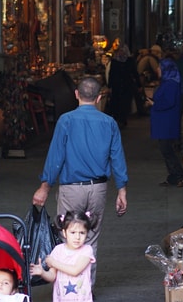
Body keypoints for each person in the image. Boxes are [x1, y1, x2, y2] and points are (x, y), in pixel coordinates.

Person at [32, 76, 128, 278]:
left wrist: (45, 186)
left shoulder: (66, 120)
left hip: (71, 190)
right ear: (99, 97)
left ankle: (67, 287)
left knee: (68, 236)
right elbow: (117, 157)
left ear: (76, 95)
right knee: (90, 238)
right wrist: (122, 189)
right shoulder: (109, 123)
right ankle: (86, 288)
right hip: (98, 190)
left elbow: (56, 156)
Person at [30, 210, 97, 302]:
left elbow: (74, 270)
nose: (77, 237)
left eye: (82, 232)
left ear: (87, 234)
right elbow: (53, 276)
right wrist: (42, 272)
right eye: (73, 232)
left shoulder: (86, 251)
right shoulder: (58, 251)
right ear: (64, 232)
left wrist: (54, 263)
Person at [151, 51, 183, 187]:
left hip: (167, 123)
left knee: (168, 151)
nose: (157, 69)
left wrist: (154, 104)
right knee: (166, 151)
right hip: (165, 122)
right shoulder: (169, 82)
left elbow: (168, 102)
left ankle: (180, 176)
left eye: (160, 67)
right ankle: (173, 176)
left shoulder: (171, 84)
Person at [105, 45, 137, 129]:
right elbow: (111, 74)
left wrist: (138, 84)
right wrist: (110, 86)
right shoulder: (115, 61)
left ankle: (122, 120)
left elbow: (134, 73)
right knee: (116, 103)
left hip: (126, 86)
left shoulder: (129, 61)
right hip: (117, 86)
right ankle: (117, 120)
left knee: (124, 104)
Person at [135, 45, 161, 116]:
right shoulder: (150, 58)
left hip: (140, 78)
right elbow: (156, 69)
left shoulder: (145, 57)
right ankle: (144, 109)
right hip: (142, 79)